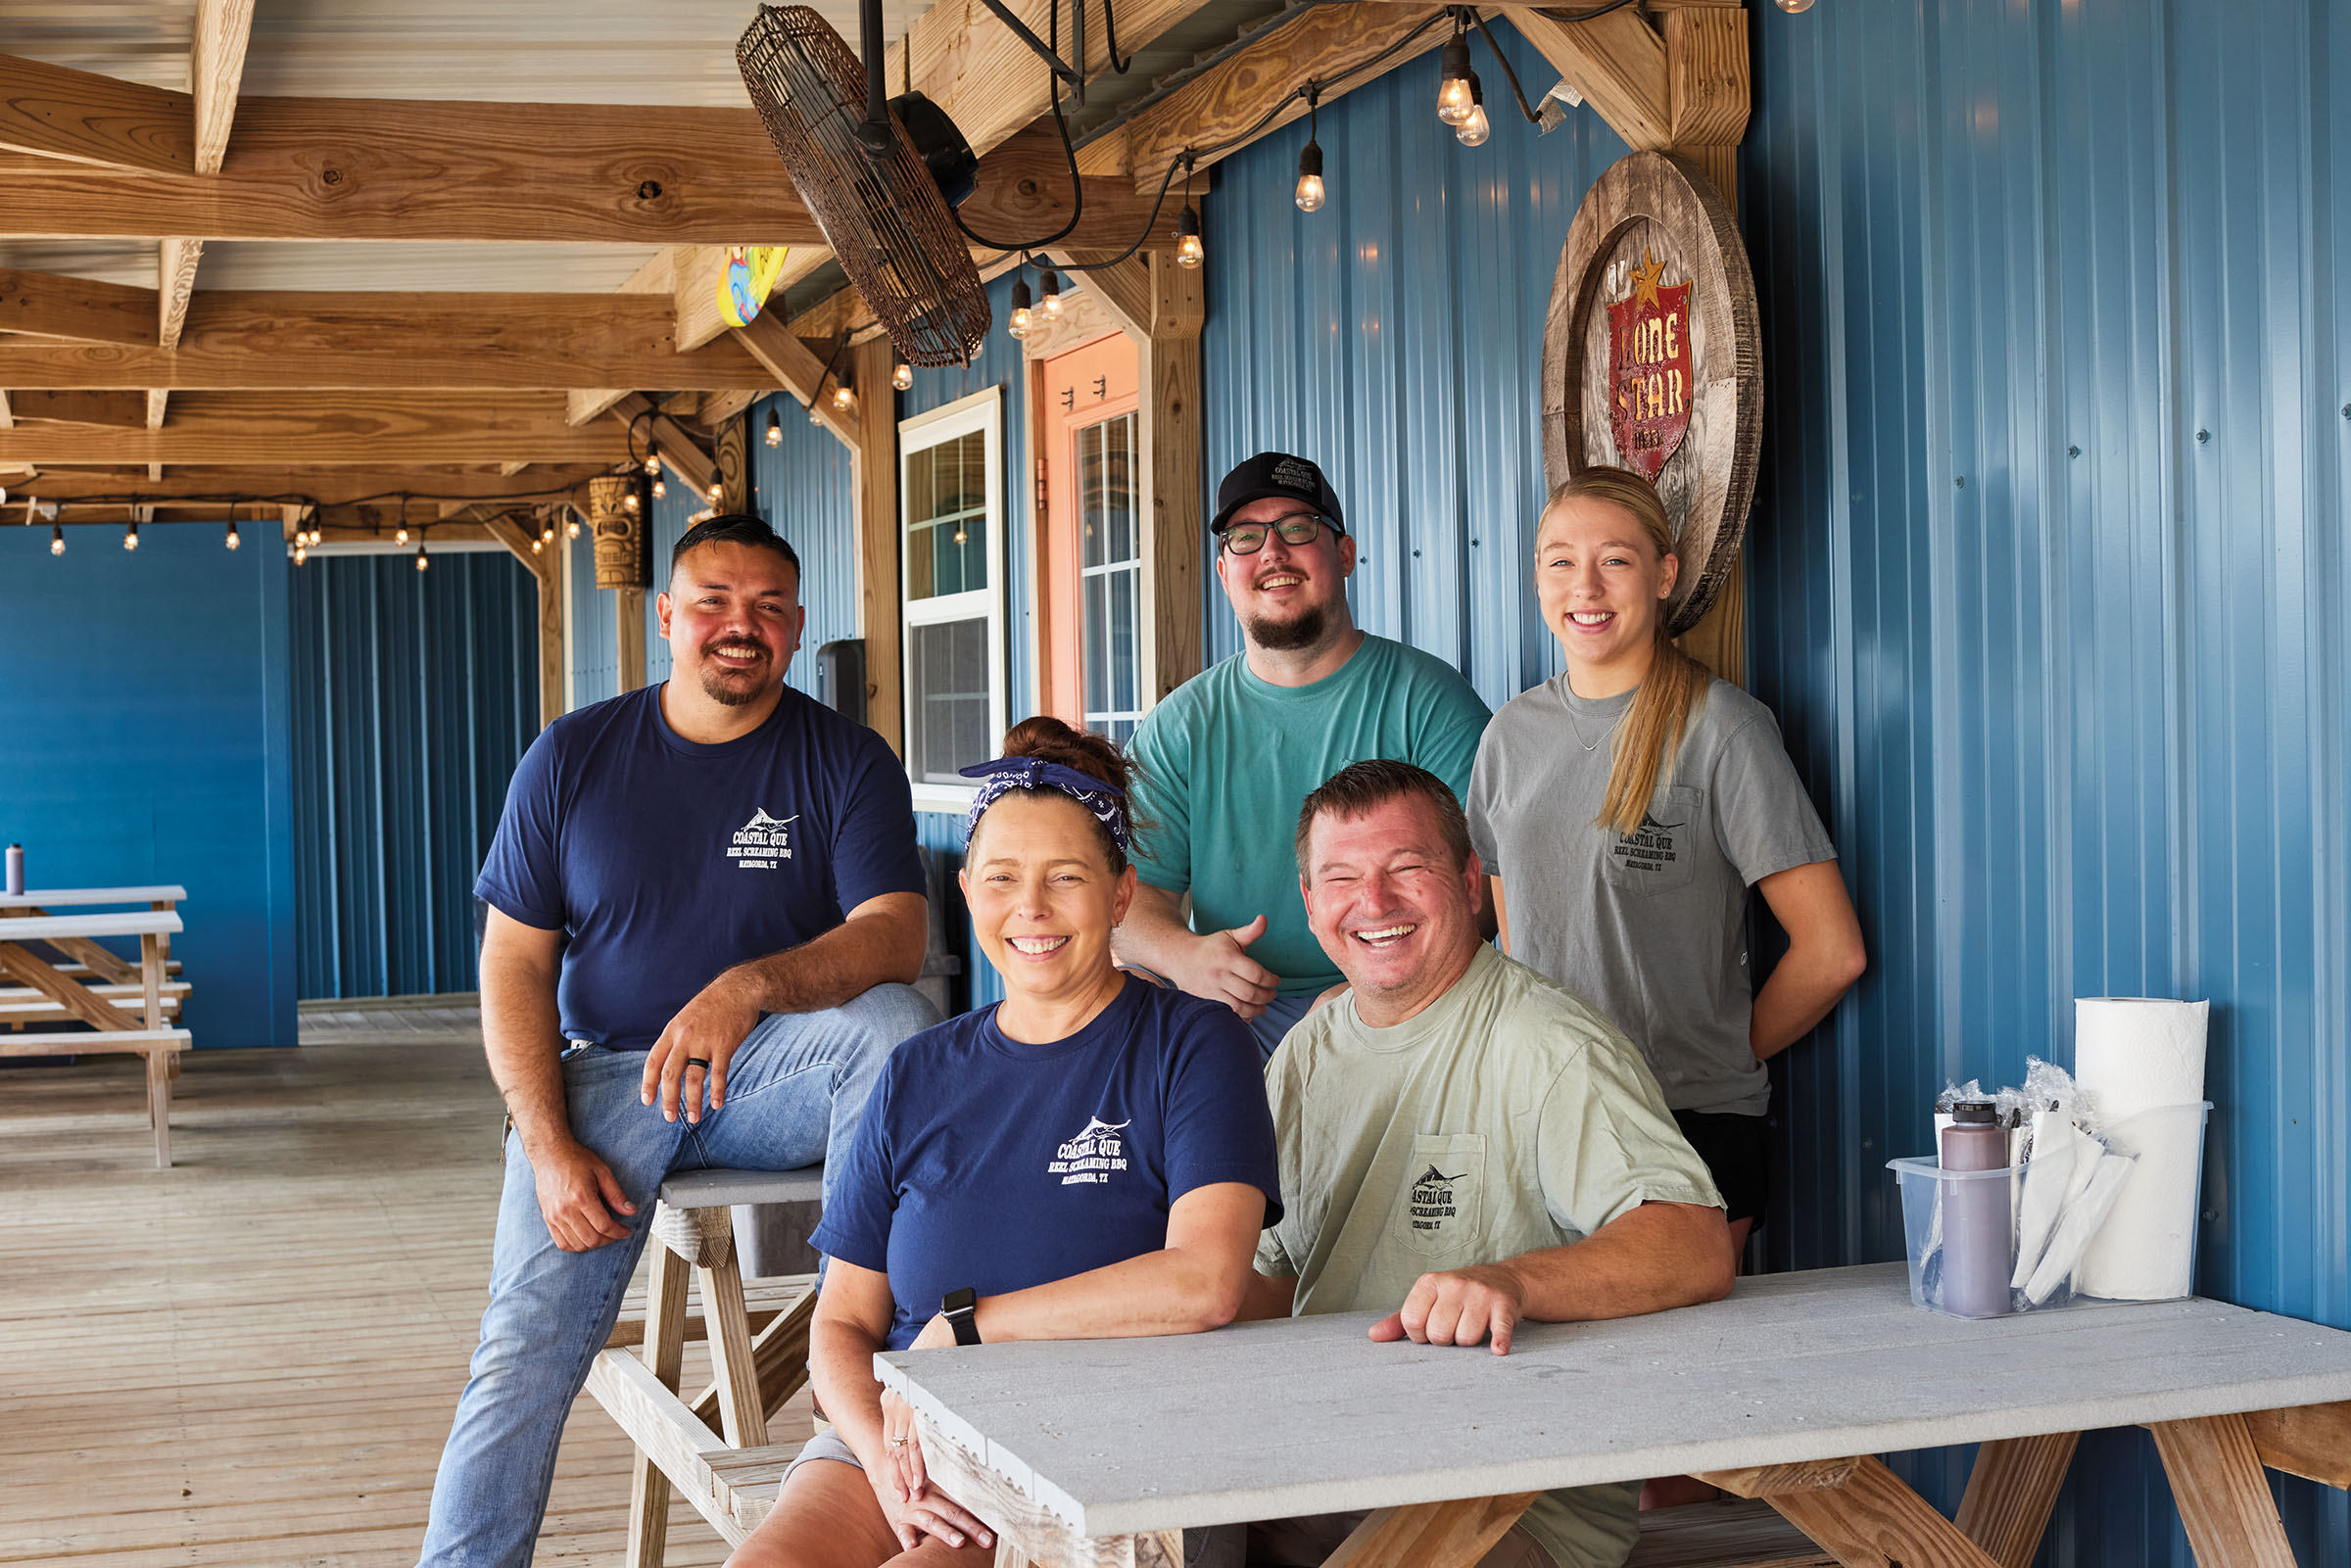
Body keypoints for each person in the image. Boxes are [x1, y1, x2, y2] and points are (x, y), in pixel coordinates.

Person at [417, 513, 940, 1568]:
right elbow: (514, 963)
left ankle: (859, 1402)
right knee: (518, 1357)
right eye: (712, 603)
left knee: (895, 1026)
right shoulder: (573, 754)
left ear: (796, 629)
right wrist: (547, 1138)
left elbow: (896, 935)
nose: (737, 627)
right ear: (666, 617)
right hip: (608, 1078)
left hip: (770, 1071)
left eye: (766, 609)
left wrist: (749, 988)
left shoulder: (845, 758)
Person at [725, 717, 1281, 1568]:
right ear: (968, 887)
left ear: (1121, 895)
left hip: (1094, 1452)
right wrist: (885, 1459)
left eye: (1066, 878)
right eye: (1002, 878)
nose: (1031, 908)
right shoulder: (916, 1072)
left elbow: (1205, 1284)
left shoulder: (1194, 1045)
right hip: (900, 1440)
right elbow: (842, 1320)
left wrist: (966, 1330)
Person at [1236, 760, 1731, 1568]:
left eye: (1407, 868)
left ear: (1470, 882)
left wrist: (1514, 1281)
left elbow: (1695, 1241)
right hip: (1323, 1464)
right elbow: (1272, 1277)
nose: (1375, 902)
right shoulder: (1304, 1055)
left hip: (1511, 1501)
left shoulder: (1550, 1044)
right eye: (1342, 878)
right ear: (1309, 903)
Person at [1464, 467, 1866, 1261]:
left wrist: (1720, 1047)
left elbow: (1832, 951)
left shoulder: (1724, 730)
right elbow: (1520, 942)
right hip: (1544, 1120)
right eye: (1558, 560)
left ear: (1664, 572)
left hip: (1687, 1124)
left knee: (1674, 1373)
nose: (1586, 584)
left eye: (1614, 558)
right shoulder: (1510, 735)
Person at [1117, 451, 1493, 1059]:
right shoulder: (1180, 725)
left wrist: (1367, 993)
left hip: (1402, 998)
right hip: (1230, 1009)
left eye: (1296, 529)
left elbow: (1486, 893)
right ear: (1223, 570)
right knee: (1123, 994)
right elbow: (1130, 899)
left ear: (1343, 554)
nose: (1272, 553)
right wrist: (1183, 955)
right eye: (1246, 538)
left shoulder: (1428, 701)